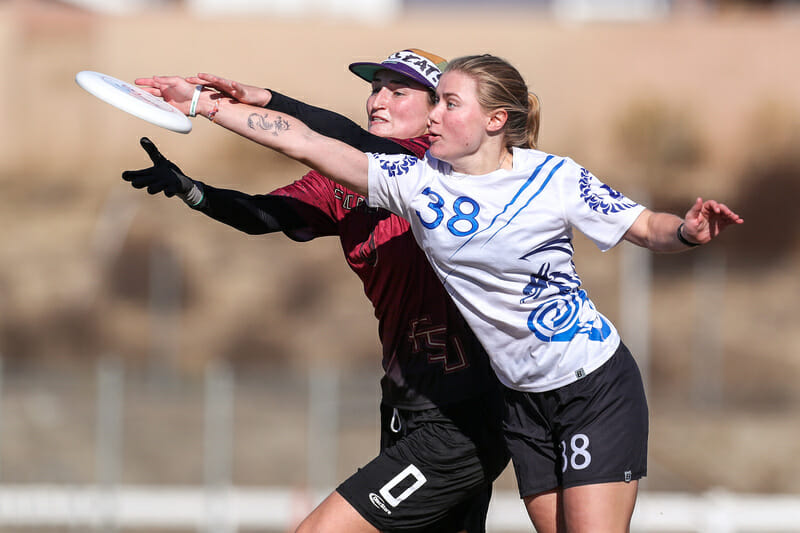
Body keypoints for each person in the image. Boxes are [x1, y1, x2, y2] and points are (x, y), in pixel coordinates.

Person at [129, 52, 743, 532]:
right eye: (379, 88)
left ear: (487, 118)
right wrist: (204, 116)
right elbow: (305, 146)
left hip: (570, 388)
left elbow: (644, 227)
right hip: (505, 403)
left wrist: (686, 231)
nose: (391, 103)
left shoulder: (545, 175)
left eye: (437, 100)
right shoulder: (410, 180)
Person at [122, 49, 509, 533]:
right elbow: (267, 215)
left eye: (397, 91)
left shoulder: (441, 169)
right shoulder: (348, 180)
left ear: (438, 110)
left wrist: (239, 100)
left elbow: (333, 135)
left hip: (463, 414)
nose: (377, 101)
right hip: (406, 403)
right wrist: (192, 190)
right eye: (374, 89)